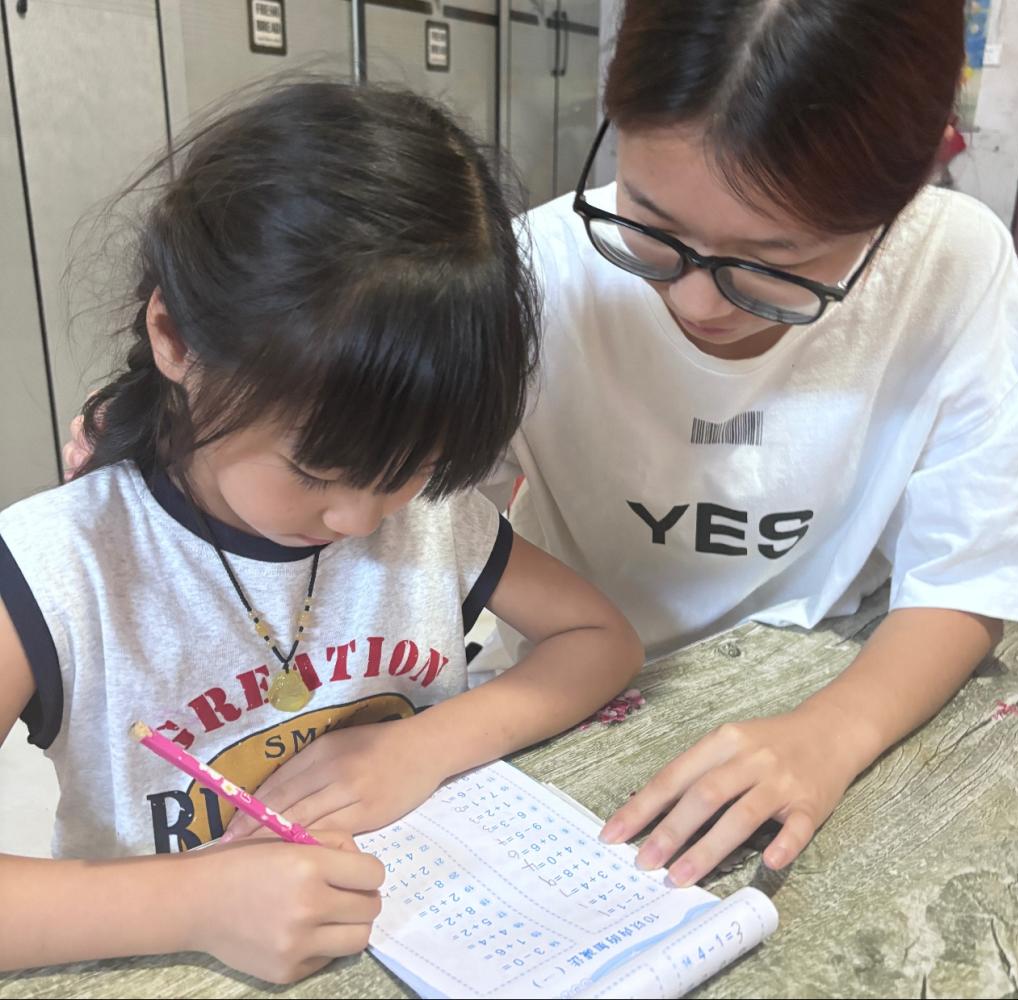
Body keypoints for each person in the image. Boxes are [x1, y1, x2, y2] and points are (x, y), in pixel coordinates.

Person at [190, 0, 1018, 889]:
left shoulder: (952, 266)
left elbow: (965, 575)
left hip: (838, 677)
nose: (697, 302)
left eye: (775, 265)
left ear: (902, 199)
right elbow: (355, 479)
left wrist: (833, 734)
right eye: (653, 226)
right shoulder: (540, 274)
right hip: (567, 706)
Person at [0, 82, 642, 984]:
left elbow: (600, 639)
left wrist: (423, 746)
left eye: (413, 468)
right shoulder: (65, 568)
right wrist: (194, 903)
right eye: (315, 472)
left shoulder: (423, 521)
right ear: (175, 339)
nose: (362, 519)